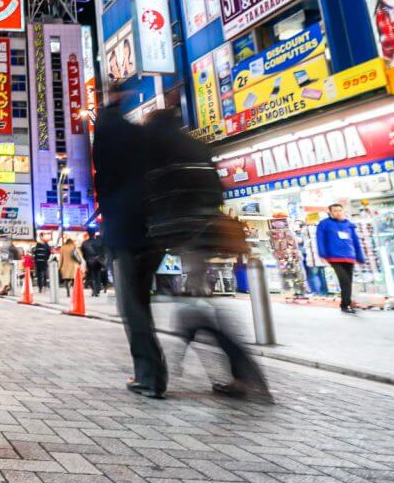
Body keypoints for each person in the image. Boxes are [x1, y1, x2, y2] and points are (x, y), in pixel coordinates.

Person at [144, 109, 269, 401]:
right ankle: (235, 370)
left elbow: (153, 190)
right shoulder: (196, 145)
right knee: (197, 294)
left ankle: (237, 371)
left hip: (181, 230)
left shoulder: (156, 147)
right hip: (206, 228)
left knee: (194, 301)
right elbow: (217, 189)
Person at [94, 85, 166, 399]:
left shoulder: (110, 132)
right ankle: (151, 373)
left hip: (126, 230)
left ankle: (149, 376)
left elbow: (104, 172)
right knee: (141, 303)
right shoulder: (144, 138)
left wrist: (107, 108)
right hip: (154, 227)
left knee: (132, 305)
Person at [316, 203, 364, 314]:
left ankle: (346, 304)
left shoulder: (349, 224)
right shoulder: (324, 224)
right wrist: (322, 253)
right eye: (335, 211)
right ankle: (346, 304)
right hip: (334, 257)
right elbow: (320, 239)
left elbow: (356, 241)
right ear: (330, 213)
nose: (338, 212)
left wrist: (360, 256)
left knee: (348, 281)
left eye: (340, 210)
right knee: (345, 281)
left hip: (349, 256)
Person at [83, 230, 107, 296]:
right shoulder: (98, 242)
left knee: (91, 276)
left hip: (89, 261)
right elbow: (102, 252)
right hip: (98, 261)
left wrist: (87, 260)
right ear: (94, 234)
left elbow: (84, 254)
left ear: (88, 234)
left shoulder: (85, 243)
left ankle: (94, 290)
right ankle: (97, 290)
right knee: (98, 275)